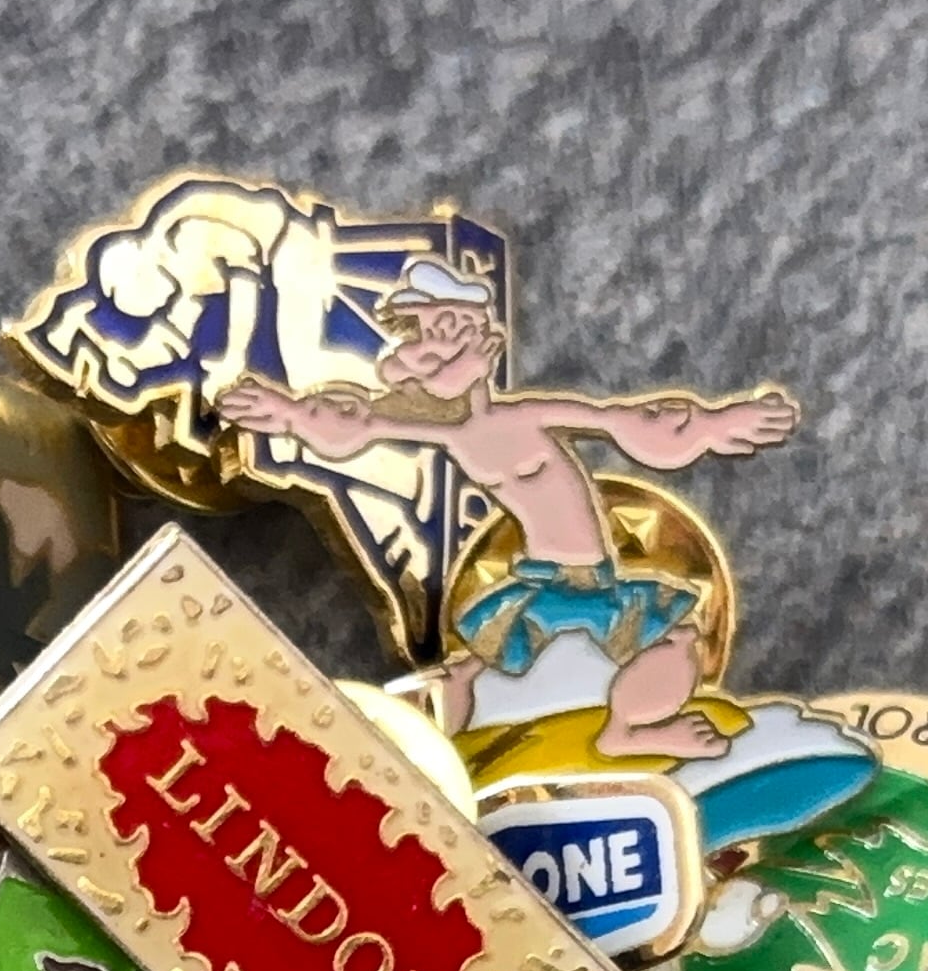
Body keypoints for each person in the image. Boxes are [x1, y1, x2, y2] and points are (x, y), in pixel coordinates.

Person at [220, 260, 797, 758]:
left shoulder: (522, 417)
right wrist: (287, 413)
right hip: (554, 579)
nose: (418, 352)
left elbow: (625, 421)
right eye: (417, 336)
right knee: (669, 640)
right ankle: (613, 734)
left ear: (482, 343)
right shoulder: (445, 431)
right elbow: (358, 421)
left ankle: (616, 729)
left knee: (490, 667)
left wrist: (717, 423)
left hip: (577, 579)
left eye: (441, 332)